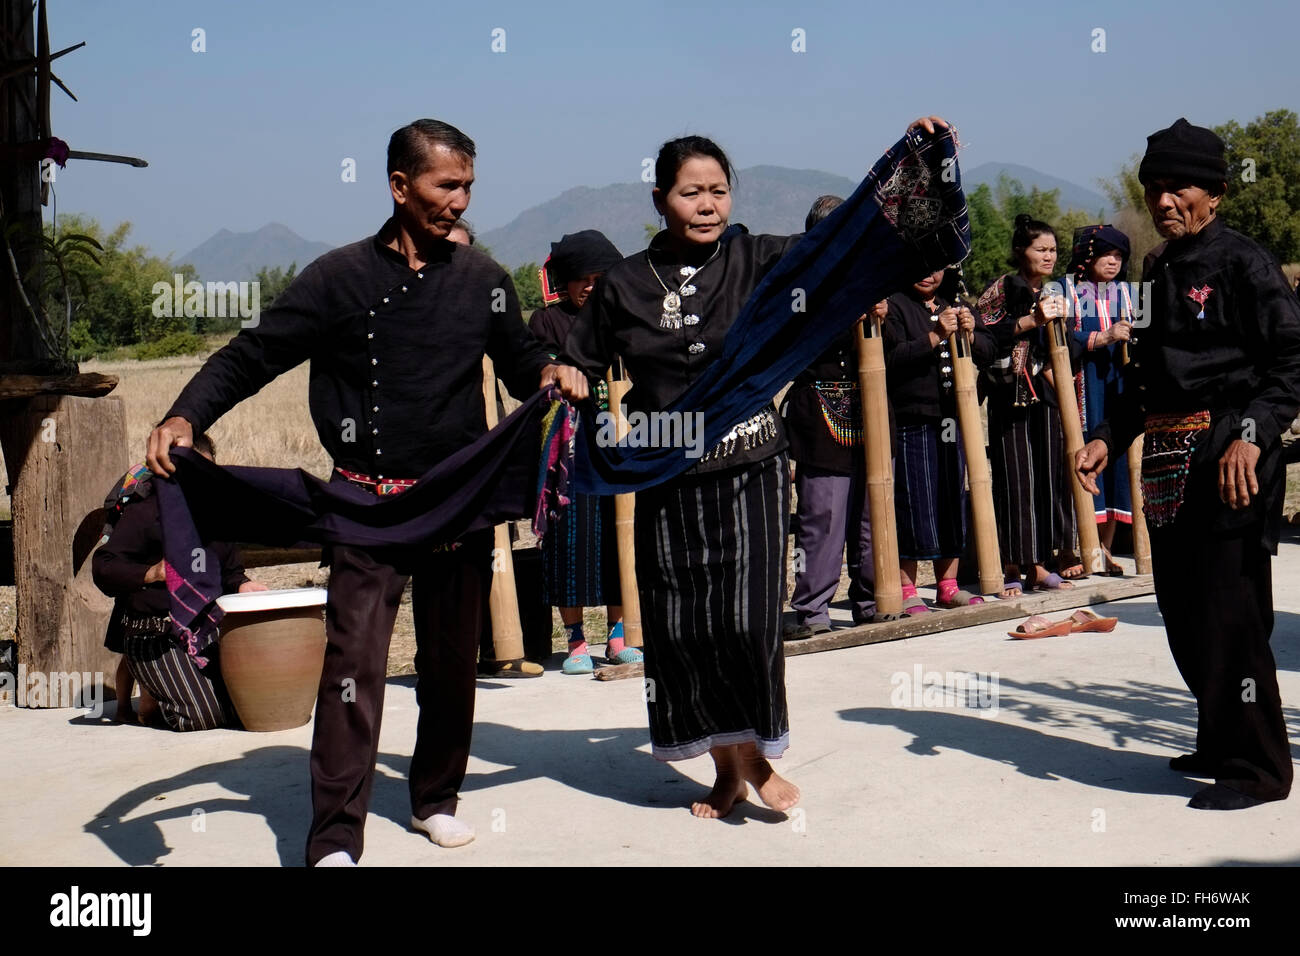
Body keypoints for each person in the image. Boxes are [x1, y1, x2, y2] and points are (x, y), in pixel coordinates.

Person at [146, 119, 581, 865]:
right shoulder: (337, 279)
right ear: (400, 186)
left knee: (450, 664)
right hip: (365, 504)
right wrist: (186, 415)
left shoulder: (483, 280)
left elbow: (521, 362)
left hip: (456, 502)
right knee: (352, 668)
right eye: (447, 185)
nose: (461, 200)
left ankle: (435, 800)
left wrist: (550, 372)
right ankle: (335, 836)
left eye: (469, 186)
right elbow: (253, 354)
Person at [559, 116, 953, 818]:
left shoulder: (760, 259)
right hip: (666, 475)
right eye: (690, 193)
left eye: (718, 191)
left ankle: (757, 758)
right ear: (659, 200)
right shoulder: (624, 283)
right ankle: (724, 767)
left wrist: (912, 160)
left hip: (751, 467)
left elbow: (844, 241)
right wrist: (560, 371)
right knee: (684, 629)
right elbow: (579, 359)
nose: (707, 205)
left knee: (747, 623)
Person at [1077, 118, 1300, 810]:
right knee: (1185, 612)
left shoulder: (1245, 263)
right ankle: (1218, 738)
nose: (1164, 201)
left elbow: (1291, 360)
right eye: (1154, 189)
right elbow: (1144, 377)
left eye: (1179, 188)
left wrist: (1252, 434)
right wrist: (1107, 435)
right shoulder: (1156, 270)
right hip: (1168, 461)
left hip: (1232, 457)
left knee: (1232, 616)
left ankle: (1259, 769)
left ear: (1216, 193)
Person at [94, 433, 267, 730]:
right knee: (203, 717)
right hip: (155, 635)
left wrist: (242, 584)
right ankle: (155, 695)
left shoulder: (217, 514)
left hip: (205, 628)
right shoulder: (146, 511)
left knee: (247, 704)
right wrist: (152, 573)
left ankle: (166, 692)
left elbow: (230, 570)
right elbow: (104, 566)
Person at [528, 231, 637, 672]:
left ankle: (617, 635)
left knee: (619, 533)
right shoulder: (547, 323)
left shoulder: (626, 318)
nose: (591, 287)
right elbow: (542, 380)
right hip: (568, 451)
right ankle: (575, 640)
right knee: (569, 540)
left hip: (618, 442)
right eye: (582, 280)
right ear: (566, 282)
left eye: (599, 278)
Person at [780, 195, 878, 638]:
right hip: (819, 416)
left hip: (872, 408)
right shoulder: (798, 283)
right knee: (822, 516)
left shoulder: (873, 275)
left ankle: (873, 599)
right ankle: (812, 609)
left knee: (871, 515)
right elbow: (794, 340)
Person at [884, 268, 996, 611]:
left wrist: (971, 334)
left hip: (952, 417)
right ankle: (906, 588)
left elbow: (989, 352)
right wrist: (935, 335)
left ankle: (948, 585)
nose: (927, 275)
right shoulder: (894, 305)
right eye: (920, 266)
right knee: (911, 503)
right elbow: (890, 358)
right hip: (911, 418)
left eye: (935, 268)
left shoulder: (955, 302)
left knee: (950, 500)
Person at [977, 215, 1078, 596]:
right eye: (1041, 249)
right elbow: (983, 338)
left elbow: (1065, 347)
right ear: (1021, 250)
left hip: (1046, 396)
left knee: (1049, 477)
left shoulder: (1055, 291)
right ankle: (1011, 565)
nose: (1049, 256)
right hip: (1010, 395)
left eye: (1053, 250)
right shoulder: (1000, 288)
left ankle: (1041, 562)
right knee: (1015, 479)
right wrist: (1030, 320)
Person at [1060, 225, 1134, 574]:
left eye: (1119, 256)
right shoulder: (1065, 290)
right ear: (1087, 257)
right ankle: (1079, 548)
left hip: (1118, 383)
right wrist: (1101, 337)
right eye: (1106, 254)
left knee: (1116, 458)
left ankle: (1105, 548)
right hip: (1082, 384)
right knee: (1083, 453)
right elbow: (1056, 336)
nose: (1113, 262)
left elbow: (1146, 331)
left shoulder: (1130, 293)